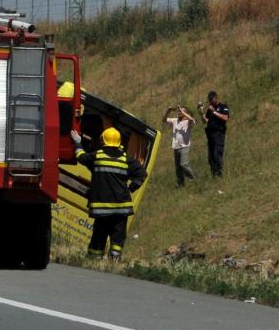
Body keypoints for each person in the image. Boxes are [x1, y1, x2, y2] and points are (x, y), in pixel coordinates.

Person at [71, 127, 147, 260]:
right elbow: (142, 174)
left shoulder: (98, 156)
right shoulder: (126, 159)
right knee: (118, 235)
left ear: (103, 140)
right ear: (119, 142)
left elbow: (81, 157)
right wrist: (132, 187)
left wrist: (78, 142)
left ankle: (94, 260)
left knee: (99, 234)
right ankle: (115, 259)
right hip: (121, 208)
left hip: (102, 209)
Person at [163, 105, 197, 188]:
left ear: (185, 113)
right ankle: (181, 185)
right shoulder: (175, 121)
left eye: (181, 111)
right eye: (178, 111)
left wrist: (183, 112)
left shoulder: (188, 122)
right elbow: (164, 120)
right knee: (178, 168)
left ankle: (192, 177)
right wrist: (169, 110)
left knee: (184, 164)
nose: (179, 112)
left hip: (184, 146)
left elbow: (192, 119)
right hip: (176, 146)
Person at [199, 90, 231, 177]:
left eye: (211, 99)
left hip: (219, 133)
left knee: (217, 154)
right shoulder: (210, 109)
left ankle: (219, 173)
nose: (210, 101)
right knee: (211, 157)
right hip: (210, 135)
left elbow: (225, 118)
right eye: (209, 100)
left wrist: (214, 112)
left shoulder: (223, 107)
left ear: (216, 98)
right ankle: (214, 174)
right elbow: (205, 121)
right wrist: (201, 113)